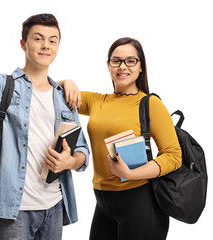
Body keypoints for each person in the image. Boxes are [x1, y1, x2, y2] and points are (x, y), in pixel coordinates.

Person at [0, 13, 89, 240]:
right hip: (14, 210)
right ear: (23, 44)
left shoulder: (64, 97)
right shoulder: (5, 85)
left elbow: (82, 151)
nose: (45, 45)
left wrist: (70, 161)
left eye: (52, 40)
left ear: (58, 46)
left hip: (55, 206)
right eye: (38, 38)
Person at [60, 37, 182, 240]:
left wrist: (131, 173)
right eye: (116, 61)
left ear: (141, 66)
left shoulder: (150, 104)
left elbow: (173, 156)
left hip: (140, 202)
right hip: (103, 202)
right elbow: (49, 90)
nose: (122, 66)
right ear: (108, 66)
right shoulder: (97, 101)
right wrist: (67, 81)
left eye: (130, 61)